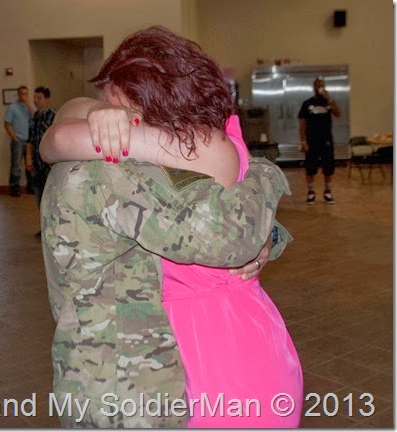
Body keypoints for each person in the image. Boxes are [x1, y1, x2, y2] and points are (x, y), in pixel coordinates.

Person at [40, 26, 299, 428]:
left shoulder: (194, 152)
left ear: (149, 102)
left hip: (214, 344)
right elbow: (56, 137)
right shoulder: (194, 148)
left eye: (115, 101)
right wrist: (96, 114)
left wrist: (126, 134)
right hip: (213, 334)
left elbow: (57, 141)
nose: (110, 110)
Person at [298, 77, 341, 204]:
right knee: (310, 167)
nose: (319, 88)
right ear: (314, 87)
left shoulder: (328, 102)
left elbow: (338, 113)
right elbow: (302, 124)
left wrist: (330, 99)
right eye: (317, 85)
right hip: (311, 140)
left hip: (326, 140)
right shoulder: (307, 103)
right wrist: (303, 141)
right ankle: (311, 191)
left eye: (321, 85)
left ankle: (327, 191)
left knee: (328, 166)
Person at [25, 86, 56, 239]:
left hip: (48, 165)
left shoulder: (53, 117)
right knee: (39, 196)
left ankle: (53, 227)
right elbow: (30, 141)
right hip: (36, 163)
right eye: (35, 98)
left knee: (50, 196)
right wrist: (28, 158)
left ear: (47, 99)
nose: (36, 101)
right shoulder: (34, 117)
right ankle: (44, 226)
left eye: (39, 98)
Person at [4, 85, 35, 196]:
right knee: (16, 165)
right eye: (22, 94)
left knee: (30, 165)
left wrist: (28, 104)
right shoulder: (12, 108)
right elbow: (7, 124)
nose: (24, 96)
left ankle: (31, 187)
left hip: (29, 141)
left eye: (26, 94)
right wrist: (15, 138)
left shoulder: (30, 106)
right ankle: (14, 189)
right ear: (18, 94)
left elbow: (36, 117)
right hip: (18, 140)